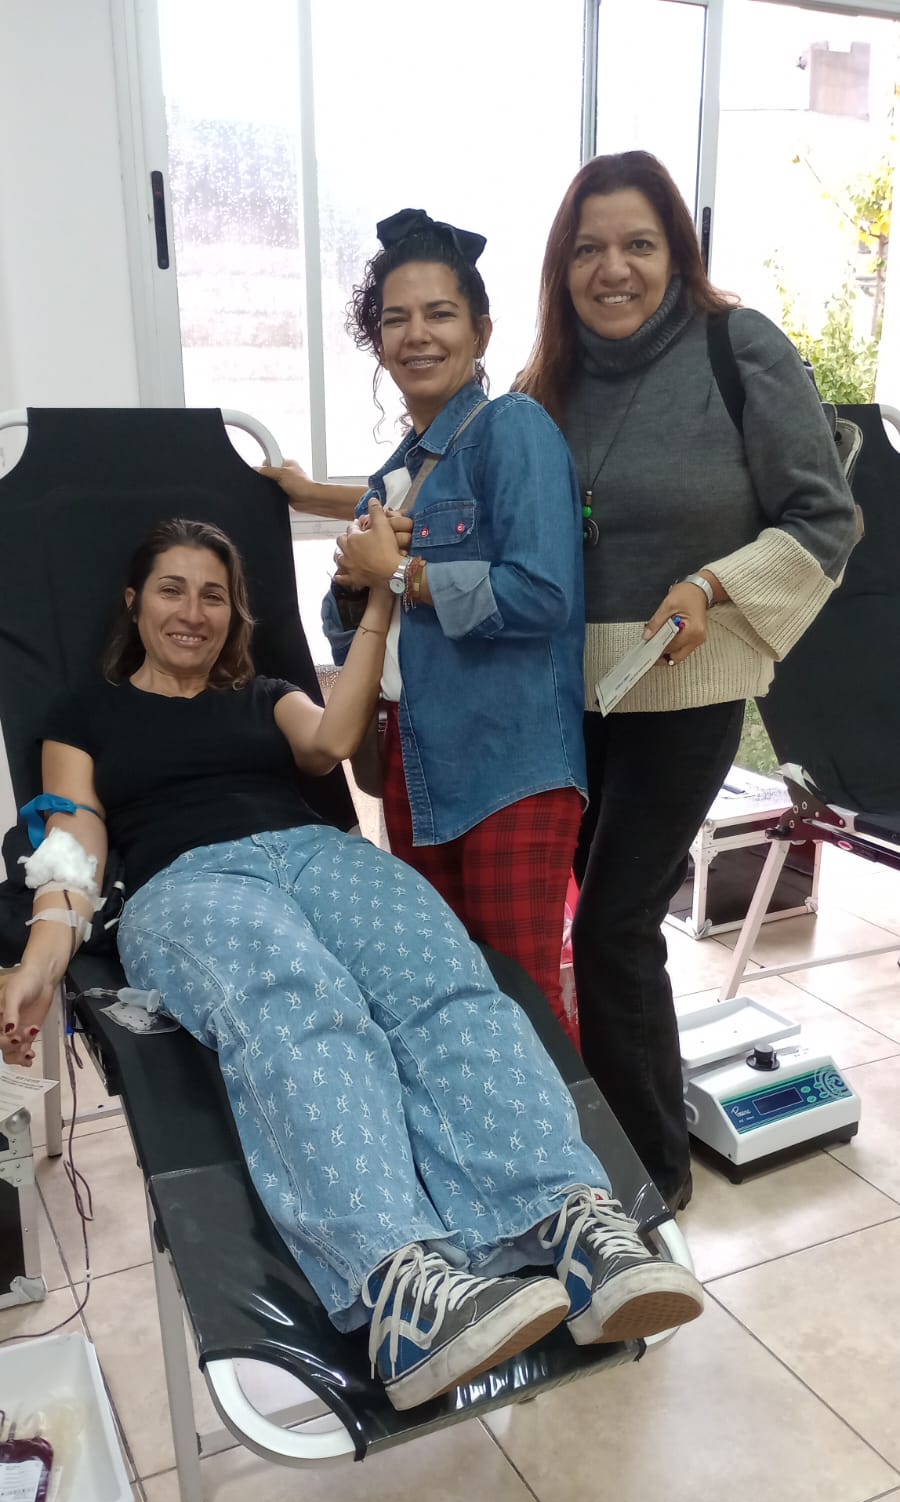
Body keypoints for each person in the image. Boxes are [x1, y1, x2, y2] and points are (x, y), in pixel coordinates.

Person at [0, 517, 703, 1413]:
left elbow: (332, 742)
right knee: (301, 1006)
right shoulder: (83, 716)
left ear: (235, 614)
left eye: (214, 595)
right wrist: (40, 961)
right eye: (172, 590)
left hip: (321, 855)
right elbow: (72, 847)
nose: (193, 612)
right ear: (134, 602)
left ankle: (567, 1220)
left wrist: (379, 596)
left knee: (448, 989)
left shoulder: (266, 696)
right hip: (188, 880)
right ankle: (400, 1287)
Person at [512, 150, 859, 1210]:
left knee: (614, 926)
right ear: (561, 265)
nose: (612, 269)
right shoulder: (547, 378)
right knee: (596, 928)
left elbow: (825, 518)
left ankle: (650, 1178)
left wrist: (713, 583)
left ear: (677, 253)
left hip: (686, 684)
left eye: (638, 245)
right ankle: (620, 1132)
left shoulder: (737, 346)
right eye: (589, 249)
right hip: (566, 695)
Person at [263, 209, 586, 1043]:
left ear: (481, 331)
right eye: (395, 318)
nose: (417, 335)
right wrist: (352, 588)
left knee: (525, 1001)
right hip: (417, 768)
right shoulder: (393, 476)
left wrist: (402, 575)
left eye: (440, 313)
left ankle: (577, 1138)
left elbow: (544, 595)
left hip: (511, 767)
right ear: (377, 341)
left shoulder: (514, 429)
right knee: (444, 995)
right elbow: (364, 638)